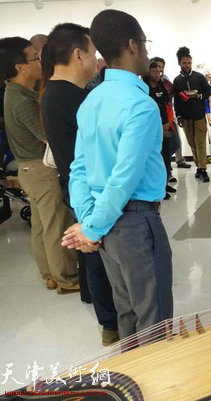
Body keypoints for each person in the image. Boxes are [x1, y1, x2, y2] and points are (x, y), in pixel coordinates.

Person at [62, 9, 173, 340]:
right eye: (145, 43)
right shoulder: (140, 105)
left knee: (127, 311)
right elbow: (124, 179)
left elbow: (79, 168)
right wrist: (91, 228)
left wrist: (89, 223)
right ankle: (155, 373)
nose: (148, 52)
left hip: (106, 225)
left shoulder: (92, 100)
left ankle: (131, 370)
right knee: (153, 318)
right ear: (132, 45)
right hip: (135, 223)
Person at [39, 22, 119, 346]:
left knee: (92, 253)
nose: (96, 61)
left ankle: (104, 314)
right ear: (78, 55)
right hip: (89, 188)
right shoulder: (75, 98)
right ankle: (111, 323)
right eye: (93, 53)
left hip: (76, 185)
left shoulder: (53, 93)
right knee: (99, 254)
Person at [0, 36, 80, 293]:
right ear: (20, 67)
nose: (40, 61)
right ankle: (66, 278)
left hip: (30, 169)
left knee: (42, 223)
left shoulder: (18, 93)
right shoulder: (23, 101)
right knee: (56, 224)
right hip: (40, 169)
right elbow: (48, 136)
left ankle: (49, 273)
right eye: (35, 57)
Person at [172, 46, 211, 182]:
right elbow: (177, 100)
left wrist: (198, 96)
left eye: (189, 63)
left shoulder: (199, 77)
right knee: (192, 144)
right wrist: (178, 116)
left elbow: (209, 92)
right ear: (179, 63)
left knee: (200, 143)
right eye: (184, 63)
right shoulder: (177, 80)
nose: (187, 65)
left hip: (199, 116)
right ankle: (199, 167)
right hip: (185, 118)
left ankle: (203, 169)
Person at [143, 62, 177, 199]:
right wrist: (158, 128)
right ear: (148, 73)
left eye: (159, 72)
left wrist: (169, 123)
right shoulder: (143, 88)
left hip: (165, 126)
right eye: (154, 72)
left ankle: (165, 183)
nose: (157, 75)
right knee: (155, 160)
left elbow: (168, 105)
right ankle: (158, 188)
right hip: (152, 128)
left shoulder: (162, 85)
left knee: (166, 158)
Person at [150, 56, 190, 172]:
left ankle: (176, 162)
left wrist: (170, 120)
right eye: (157, 67)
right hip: (154, 121)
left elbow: (171, 98)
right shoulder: (145, 84)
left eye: (162, 67)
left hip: (168, 116)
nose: (160, 70)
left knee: (174, 140)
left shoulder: (166, 82)